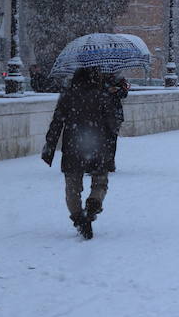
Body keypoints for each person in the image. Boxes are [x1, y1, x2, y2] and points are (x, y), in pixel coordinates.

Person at [41, 67, 118, 239]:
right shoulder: (102, 95)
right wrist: (110, 142)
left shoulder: (67, 95)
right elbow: (112, 123)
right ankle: (93, 204)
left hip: (73, 145)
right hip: (97, 144)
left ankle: (78, 216)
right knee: (100, 180)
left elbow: (57, 122)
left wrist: (50, 145)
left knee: (72, 184)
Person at [102, 72, 130, 171]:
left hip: (114, 114)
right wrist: (106, 90)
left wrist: (116, 91)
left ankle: (109, 162)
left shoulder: (119, 79)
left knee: (111, 140)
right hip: (99, 113)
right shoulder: (95, 78)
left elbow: (124, 94)